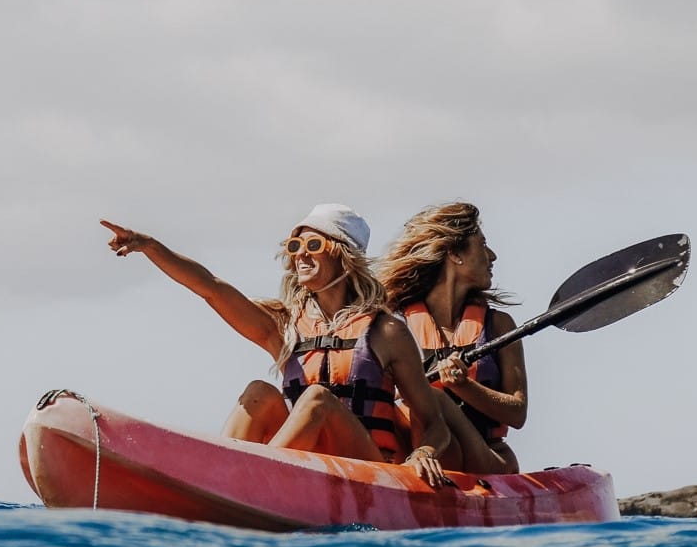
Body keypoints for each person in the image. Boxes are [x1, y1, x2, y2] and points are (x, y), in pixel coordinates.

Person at [101, 204, 451, 488]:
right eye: (295, 246)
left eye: (314, 245)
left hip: (368, 469)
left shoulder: (386, 331)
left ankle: (245, 483)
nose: (300, 255)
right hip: (305, 466)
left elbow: (433, 421)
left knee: (317, 399)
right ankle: (221, 474)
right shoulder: (285, 326)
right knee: (259, 392)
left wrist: (424, 451)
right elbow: (211, 288)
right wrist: (150, 247)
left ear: (344, 257)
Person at [377, 202, 527, 474]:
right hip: (419, 455)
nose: (492, 255)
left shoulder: (499, 325)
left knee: (435, 398)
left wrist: (463, 385)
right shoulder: (396, 328)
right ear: (455, 254)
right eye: (482, 245)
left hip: (487, 460)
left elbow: (517, 413)